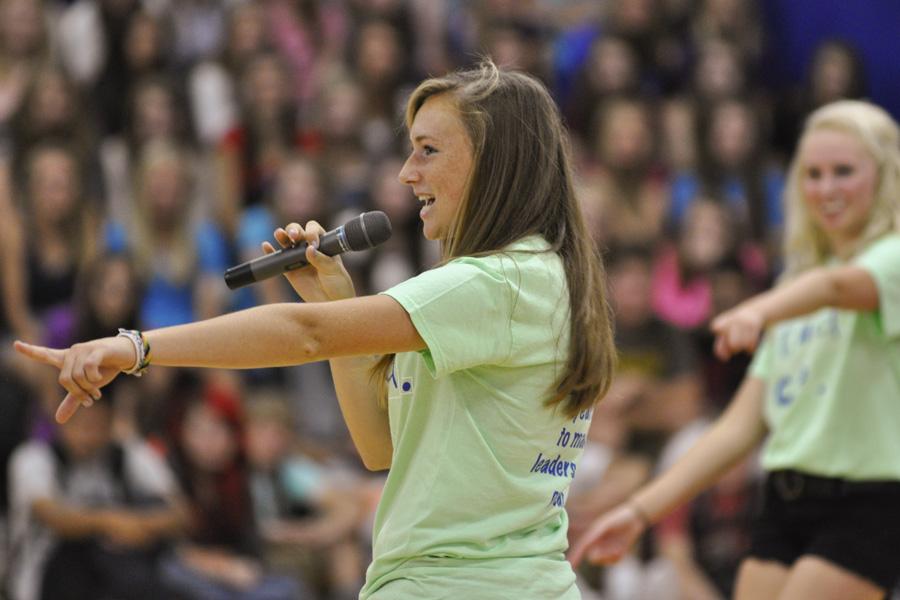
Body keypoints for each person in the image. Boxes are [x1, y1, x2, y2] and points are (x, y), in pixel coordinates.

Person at [15, 61, 617, 599]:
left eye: (429, 150)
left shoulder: (495, 282)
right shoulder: (530, 279)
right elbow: (379, 447)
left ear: (494, 162)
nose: (407, 173)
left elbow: (304, 333)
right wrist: (338, 301)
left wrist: (137, 347)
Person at [570, 99, 900, 600]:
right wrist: (640, 512)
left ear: (882, 177)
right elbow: (737, 429)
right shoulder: (798, 283)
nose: (826, 188)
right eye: (813, 174)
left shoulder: (889, 257)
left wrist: (760, 311)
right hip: (785, 502)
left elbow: (838, 288)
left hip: (865, 501)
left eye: (843, 172)